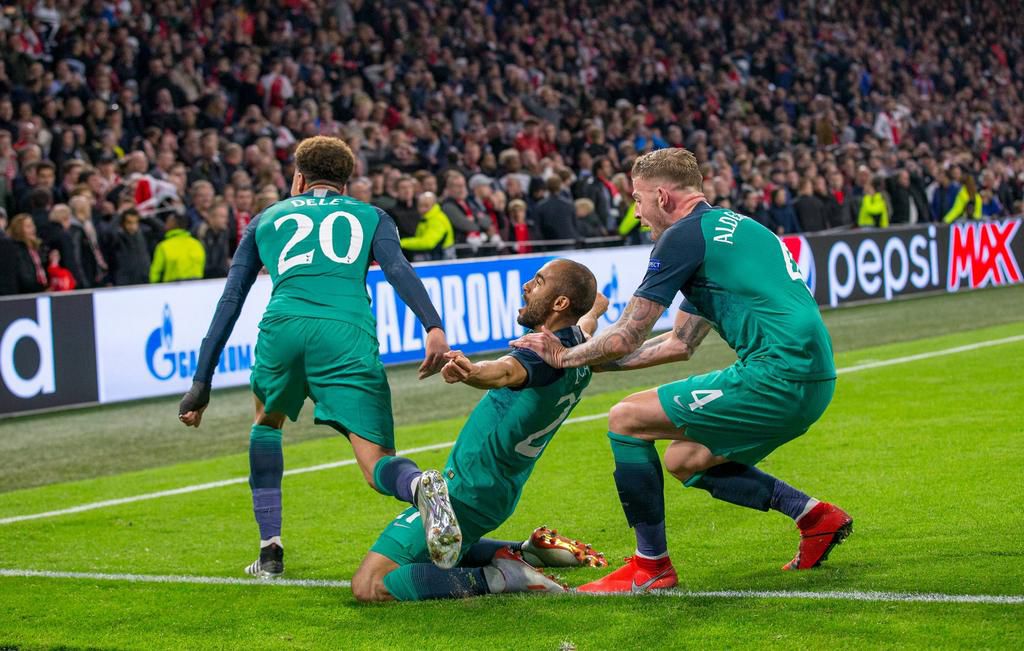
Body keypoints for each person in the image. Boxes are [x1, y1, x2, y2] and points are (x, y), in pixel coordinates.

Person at [512, 148, 850, 593]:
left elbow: (627, 336)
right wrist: (592, 364)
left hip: (779, 374)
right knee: (685, 459)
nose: (636, 212)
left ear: (663, 196)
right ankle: (815, 516)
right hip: (813, 377)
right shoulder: (732, 228)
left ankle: (651, 567)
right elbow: (679, 344)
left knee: (625, 420)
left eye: (637, 199)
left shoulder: (681, 238)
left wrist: (562, 357)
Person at [177, 136, 455, 579]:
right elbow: (399, 269)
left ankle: (270, 551)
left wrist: (200, 382)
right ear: (345, 185)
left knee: (266, 424)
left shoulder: (265, 219)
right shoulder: (371, 215)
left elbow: (230, 300)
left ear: (299, 178)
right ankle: (418, 486)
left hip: (282, 328)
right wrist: (433, 326)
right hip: (345, 333)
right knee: (375, 462)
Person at [351, 260, 609, 602]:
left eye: (539, 281)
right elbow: (588, 321)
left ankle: (498, 577)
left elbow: (503, 371)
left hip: (464, 491)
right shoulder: (579, 348)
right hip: (497, 490)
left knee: (371, 584)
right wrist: (595, 308)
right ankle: (523, 551)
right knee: (437, 537)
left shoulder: (539, 358)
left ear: (560, 303)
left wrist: (471, 371)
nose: (527, 286)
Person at [149, 211, 206, 283]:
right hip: (196, 287)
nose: (165, 225)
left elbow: (155, 273)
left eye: (168, 222)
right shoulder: (196, 244)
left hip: (171, 289)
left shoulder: (163, 246)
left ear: (173, 224)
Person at [399, 192, 455, 261]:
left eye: (426, 206)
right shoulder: (426, 218)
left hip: (443, 260)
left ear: (434, 205)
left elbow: (428, 242)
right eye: (420, 206)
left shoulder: (437, 219)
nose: (423, 209)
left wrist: (402, 243)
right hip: (433, 258)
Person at [6, 213, 48, 294]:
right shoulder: (16, 250)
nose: (33, 229)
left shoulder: (37, 248)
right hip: (26, 295)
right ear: (19, 230)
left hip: (41, 291)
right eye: (28, 227)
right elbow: (25, 278)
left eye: (33, 225)